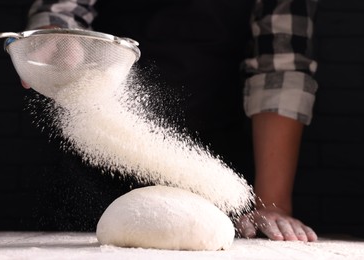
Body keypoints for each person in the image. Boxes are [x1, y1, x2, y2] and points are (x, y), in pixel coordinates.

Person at [23, 0, 319, 242]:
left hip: (217, 172)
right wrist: (58, 39)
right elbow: (61, 10)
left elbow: (281, 68)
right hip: (95, 153)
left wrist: (273, 202)